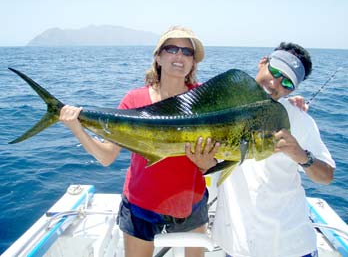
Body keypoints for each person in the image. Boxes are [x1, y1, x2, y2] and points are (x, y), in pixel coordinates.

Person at [59, 25, 219, 257]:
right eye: (172, 49)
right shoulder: (134, 100)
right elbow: (106, 157)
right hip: (141, 205)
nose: (179, 56)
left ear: (193, 62)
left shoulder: (205, 100)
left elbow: (219, 159)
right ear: (158, 56)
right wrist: (77, 128)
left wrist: (205, 164)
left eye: (187, 52)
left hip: (190, 203)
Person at [190, 42, 335, 257]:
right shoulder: (221, 109)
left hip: (290, 246)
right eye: (275, 72)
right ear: (263, 63)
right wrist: (206, 165)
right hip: (236, 245)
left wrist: (302, 156)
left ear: (293, 90)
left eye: (287, 83)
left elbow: (327, 176)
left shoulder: (299, 120)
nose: (275, 83)